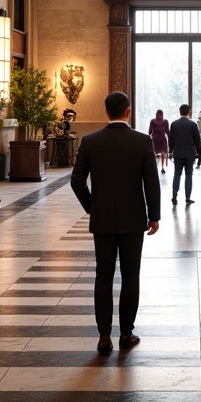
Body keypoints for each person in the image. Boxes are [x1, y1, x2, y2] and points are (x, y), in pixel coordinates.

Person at [71, 91, 160, 355]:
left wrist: (92, 207)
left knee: (104, 275)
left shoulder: (90, 141)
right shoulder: (143, 141)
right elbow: (151, 182)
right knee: (131, 275)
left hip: (103, 221)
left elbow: (77, 182)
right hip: (134, 221)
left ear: (106, 112)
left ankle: (103, 336)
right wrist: (153, 215)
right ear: (128, 112)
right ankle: (126, 334)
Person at [167, 103, 201, 205]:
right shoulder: (193, 124)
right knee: (189, 174)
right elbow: (197, 140)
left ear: (179, 111)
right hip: (189, 153)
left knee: (177, 174)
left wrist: (171, 150)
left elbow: (171, 139)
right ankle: (187, 197)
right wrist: (199, 152)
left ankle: (174, 195)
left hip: (178, 152)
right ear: (189, 112)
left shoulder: (174, 124)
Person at [147, 108, 170, 173]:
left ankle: (153, 167)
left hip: (155, 139)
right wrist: (169, 140)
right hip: (162, 139)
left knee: (153, 153)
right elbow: (167, 131)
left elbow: (149, 131)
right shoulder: (165, 121)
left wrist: (150, 136)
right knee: (163, 154)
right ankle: (162, 168)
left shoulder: (152, 121)